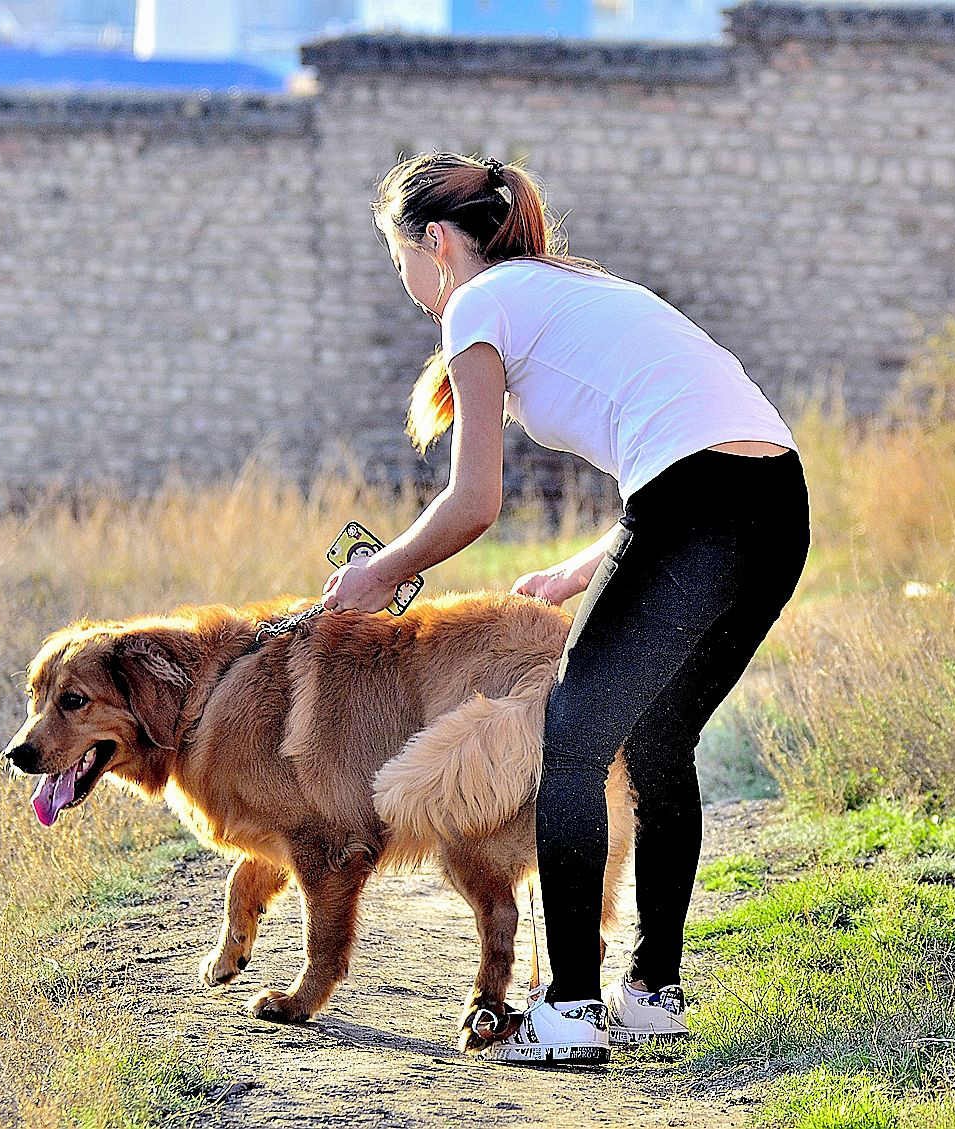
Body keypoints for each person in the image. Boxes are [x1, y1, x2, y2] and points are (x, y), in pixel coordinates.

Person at [319, 152, 811, 1066]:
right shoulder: (571, 286)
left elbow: (474, 501)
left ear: (434, 243)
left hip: (694, 507)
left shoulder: (480, 301)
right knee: (659, 739)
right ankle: (653, 993)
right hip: (777, 507)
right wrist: (585, 569)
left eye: (400, 266)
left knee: (572, 742)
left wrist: (381, 572)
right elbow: (687, 445)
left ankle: (570, 1011)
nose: (411, 290)